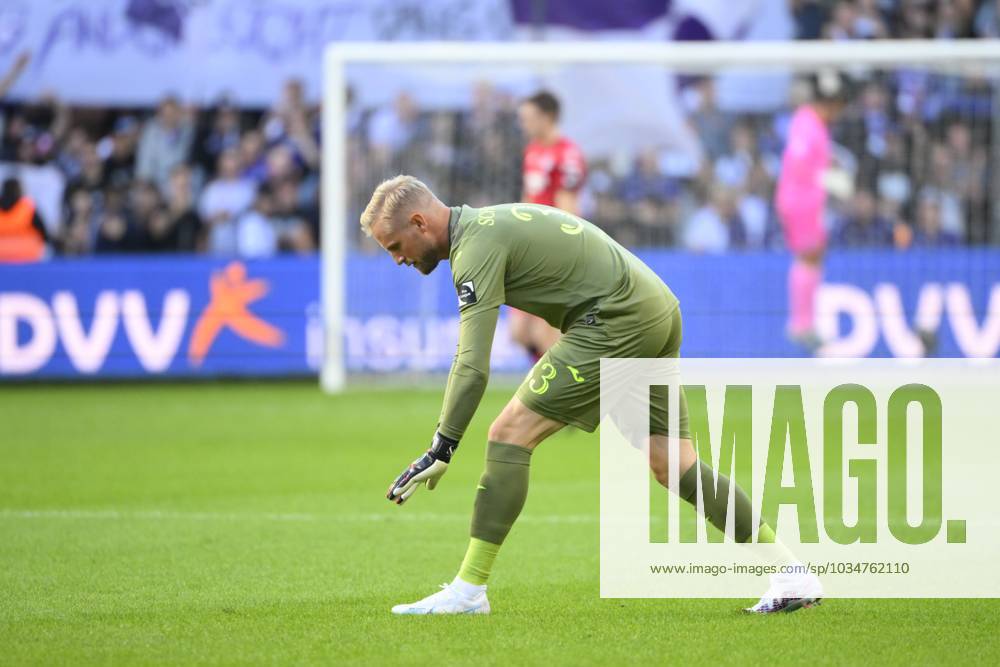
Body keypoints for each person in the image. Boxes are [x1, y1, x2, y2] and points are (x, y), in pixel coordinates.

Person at [363, 175, 820, 616]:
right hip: (656, 307)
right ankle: (791, 573)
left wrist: (442, 446)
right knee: (673, 465)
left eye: (396, 247)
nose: (398, 260)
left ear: (420, 223)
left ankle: (468, 590)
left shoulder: (474, 247)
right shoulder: (488, 225)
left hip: (615, 319)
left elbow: (471, 363)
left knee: (509, 433)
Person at [775, 70, 852, 353]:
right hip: (800, 201)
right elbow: (797, 163)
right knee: (809, 255)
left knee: (814, 255)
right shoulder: (807, 122)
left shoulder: (814, 123)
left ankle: (804, 323)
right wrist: (825, 177)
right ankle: (800, 325)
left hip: (808, 199)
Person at [513, 91, 586, 361]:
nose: (524, 125)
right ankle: (548, 384)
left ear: (549, 117)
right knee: (519, 332)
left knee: (548, 335)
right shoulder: (532, 150)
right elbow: (528, 199)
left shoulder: (567, 154)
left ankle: (556, 393)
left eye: (529, 118)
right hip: (531, 248)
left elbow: (569, 211)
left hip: (553, 250)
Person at [0, 177, 49, 263]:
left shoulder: (27, 207)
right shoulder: (27, 208)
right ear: (18, 190)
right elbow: (43, 232)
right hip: (27, 254)